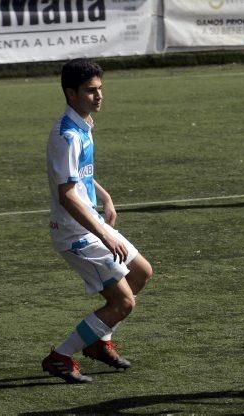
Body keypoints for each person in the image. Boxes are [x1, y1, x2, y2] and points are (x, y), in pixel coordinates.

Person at [42, 58, 154, 383]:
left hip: (91, 223)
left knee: (141, 273)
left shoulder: (82, 125)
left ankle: (98, 342)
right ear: (71, 93)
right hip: (76, 234)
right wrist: (105, 235)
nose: (99, 96)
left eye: (100, 89)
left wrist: (103, 196)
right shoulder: (67, 135)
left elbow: (79, 178)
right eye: (91, 91)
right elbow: (67, 194)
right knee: (123, 302)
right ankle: (61, 356)